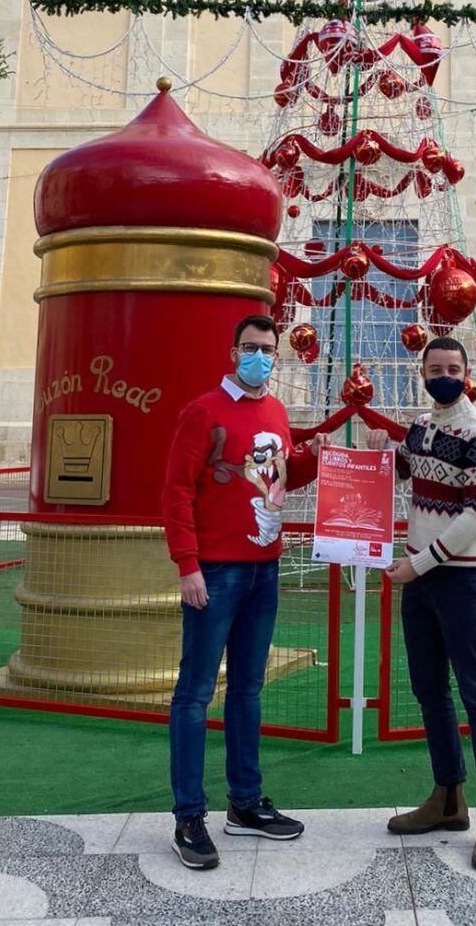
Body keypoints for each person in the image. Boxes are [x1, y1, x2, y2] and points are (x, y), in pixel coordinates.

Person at [162, 314, 329, 870]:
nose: (260, 357)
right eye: (251, 348)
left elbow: (275, 479)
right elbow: (177, 492)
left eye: (268, 351)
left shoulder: (276, 412)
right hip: (216, 570)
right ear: (233, 352)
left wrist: (315, 459)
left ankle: (245, 803)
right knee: (194, 693)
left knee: (248, 690)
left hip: (265, 569)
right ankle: (189, 816)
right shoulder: (202, 412)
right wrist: (188, 566)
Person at [374, 336, 476, 871]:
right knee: (429, 689)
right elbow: (402, 470)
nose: (444, 375)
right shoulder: (422, 425)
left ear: (467, 371)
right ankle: (448, 796)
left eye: (453, 367)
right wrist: (350, 457)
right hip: (421, 576)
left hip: (462, 579)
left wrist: (419, 564)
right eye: (435, 368)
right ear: (423, 372)